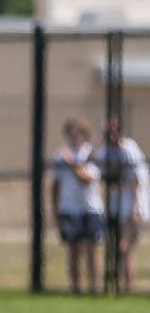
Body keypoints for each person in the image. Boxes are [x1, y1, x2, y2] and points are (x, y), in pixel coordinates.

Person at [95, 118, 150, 293]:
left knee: (125, 246)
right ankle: (117, 284)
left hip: (130, 206)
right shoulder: (105, 151)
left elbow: (137, 181)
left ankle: (128, 287)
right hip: (115, 205)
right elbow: (98, 172)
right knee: (118, 246)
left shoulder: (129, 149)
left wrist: (135, 208)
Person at [51, 118, 104, 294]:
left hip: (91, 208)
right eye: (71, 133)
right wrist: (55, 209)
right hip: (69, 208)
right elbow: (56, 184)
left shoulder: (91, 153)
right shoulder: (61, 155)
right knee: (73, 249)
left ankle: (95, 287)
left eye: (78, 132)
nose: (74, 136)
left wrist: (72, 163)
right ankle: (75, 288)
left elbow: (86, 180)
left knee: (92, 249)